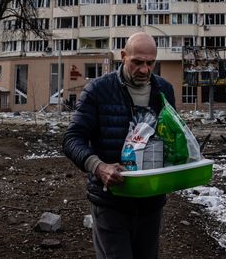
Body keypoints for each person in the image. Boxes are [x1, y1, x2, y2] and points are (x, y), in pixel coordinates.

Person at [63, 32, 175, 259]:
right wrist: (99, 167)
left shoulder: (164, 90)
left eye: (150, 63)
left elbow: (171, 137)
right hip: (111, 202)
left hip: (151, 203)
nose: (144, 70)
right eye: (137, 62)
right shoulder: (98, 90)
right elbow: (72, 138)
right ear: (123, 56)